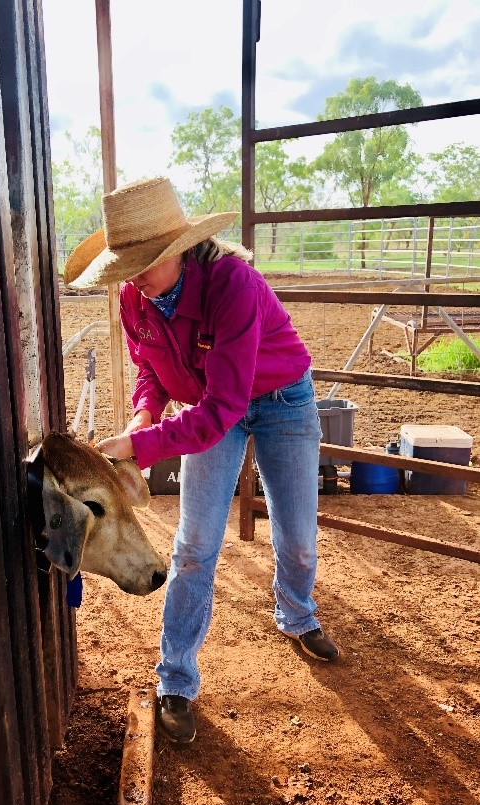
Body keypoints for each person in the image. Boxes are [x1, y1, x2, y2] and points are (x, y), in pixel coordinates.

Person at [64, 176, 339, 745]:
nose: (135, 274)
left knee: (298, 537)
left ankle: (296, 611)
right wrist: (144, 413)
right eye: (127, 263)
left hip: (281, 400)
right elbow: (149, 368)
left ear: (181, 251)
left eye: (145, 260)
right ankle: (177, 679)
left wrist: (138, 447)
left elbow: (223, 406)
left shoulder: (232, 283)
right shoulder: (132, 298)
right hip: (213, 409)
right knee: (193, 545)